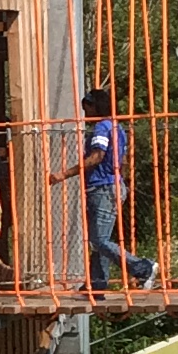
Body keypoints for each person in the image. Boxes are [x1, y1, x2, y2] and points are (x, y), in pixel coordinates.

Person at [48, 86, 157, 289]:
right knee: (100, 239)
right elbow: (122, 159)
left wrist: (63, 174)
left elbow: (96, 156)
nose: (85, 114)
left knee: (99, 240)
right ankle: (96, 284)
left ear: (94, 107)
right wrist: (120, 183)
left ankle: (142, 267)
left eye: (86, 109)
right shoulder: (117, 127)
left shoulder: (101, 128)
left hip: (103, 187)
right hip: (112, 185)